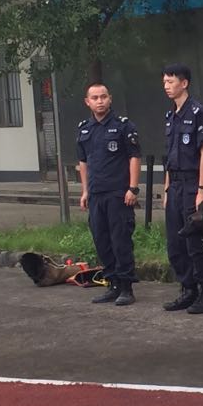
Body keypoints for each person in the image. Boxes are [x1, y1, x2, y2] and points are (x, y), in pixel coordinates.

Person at [159, 64, 203, 315]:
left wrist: (202, 189)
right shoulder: (171, 115)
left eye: (171, 81)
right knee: (176, 241)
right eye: (164, 81)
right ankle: (188, 289)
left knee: (196, 241)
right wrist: (166, 188)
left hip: (194, 183)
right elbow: (169, 156)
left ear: (184, 83)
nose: (166, 85)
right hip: (175, 185)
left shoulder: (197, 112)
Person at [76, 82, 141, 306]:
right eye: (95, 97)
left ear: (110, 99)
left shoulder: (123, 126)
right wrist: (85, 191)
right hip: (96, 194)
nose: (100, 101)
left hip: (118, 194)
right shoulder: (85, 129)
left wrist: (132, 188)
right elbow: (83, 162)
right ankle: (112, 284)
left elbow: (134, 156)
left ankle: (126, 287)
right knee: (102, 240)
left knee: (120, 240)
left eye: (103, 96)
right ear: (88, 102)